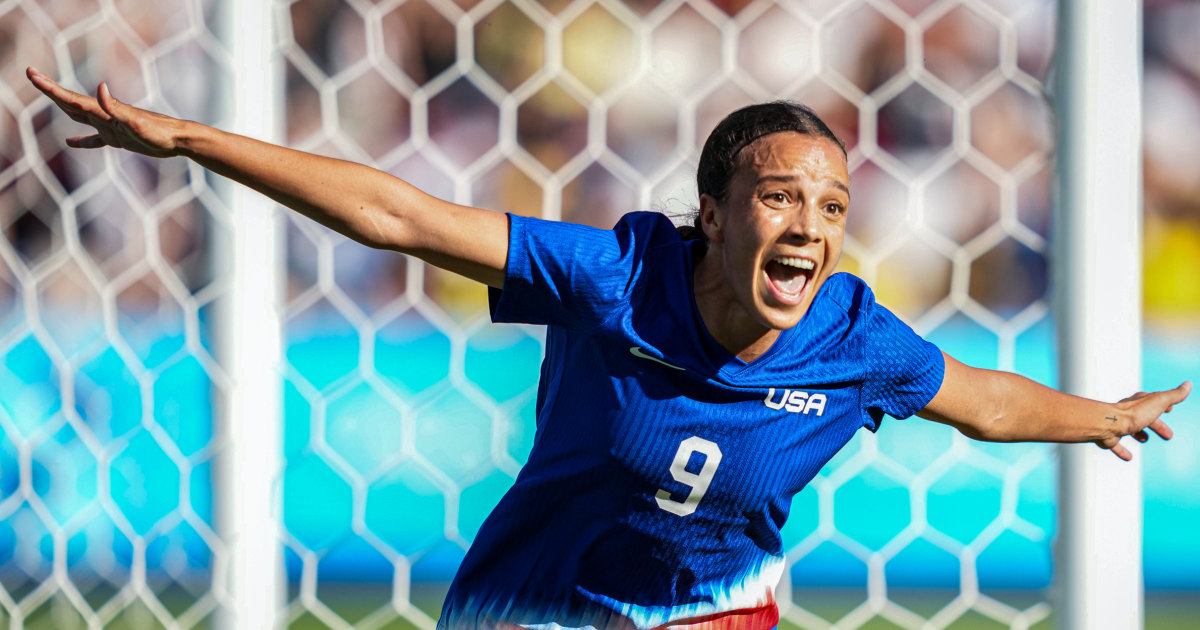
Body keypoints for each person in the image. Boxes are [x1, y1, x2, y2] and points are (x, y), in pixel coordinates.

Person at [25, 67, 1190, 630]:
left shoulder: (849, 334)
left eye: (832, 210)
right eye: (783, 200)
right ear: (717, 214)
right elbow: (401, 216)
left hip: (715, 611)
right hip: (540, 603)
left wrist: (1100, 417)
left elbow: (981, 401)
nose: (812, 231)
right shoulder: (610, 277)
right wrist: (187, 140)